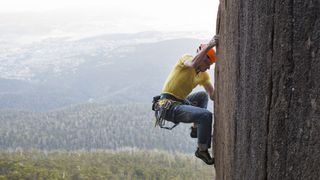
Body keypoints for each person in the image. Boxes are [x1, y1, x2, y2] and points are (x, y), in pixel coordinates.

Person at [153, 35, 219, 165]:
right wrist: (210, 45)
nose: (208, 68)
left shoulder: (203, 75)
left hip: (180, 101)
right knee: (205, 115)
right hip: (168, 105)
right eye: (208, 64)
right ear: (202, 57)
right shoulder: (186, 59)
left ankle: (196, 129)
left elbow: (211, 95)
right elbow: (193, 63)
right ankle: (202, 150)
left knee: (202, 96)